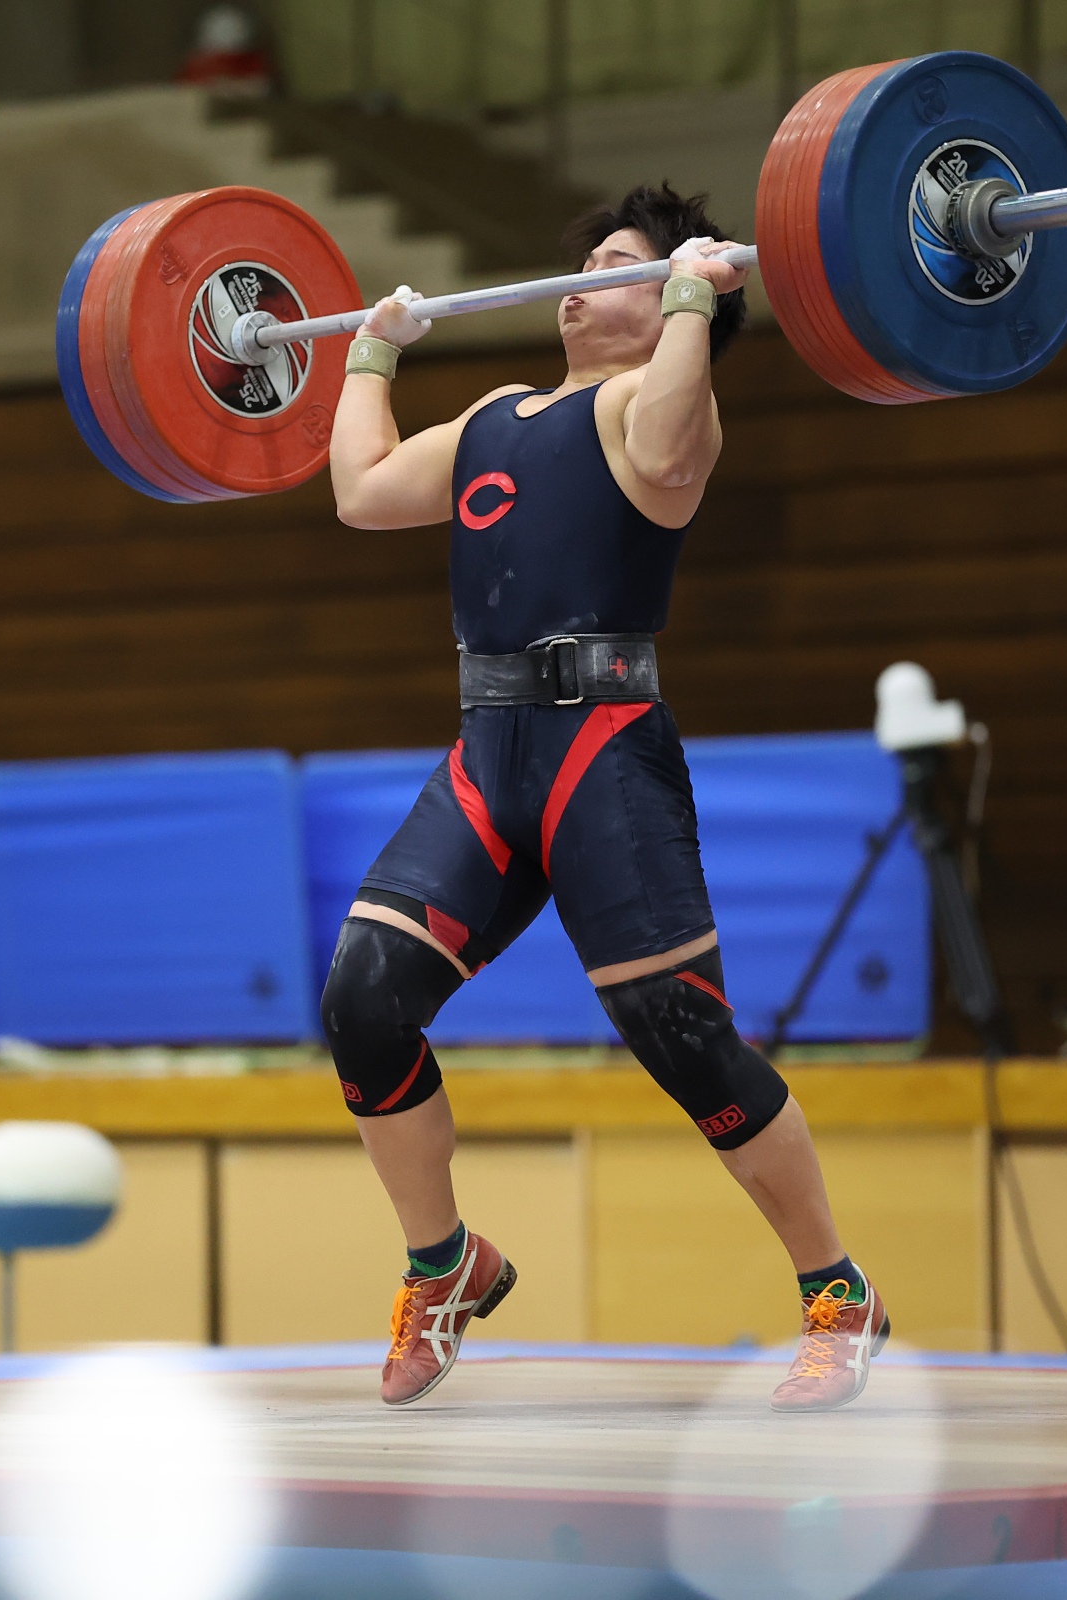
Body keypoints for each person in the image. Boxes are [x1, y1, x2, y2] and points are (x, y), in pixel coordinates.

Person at [322, 183, 888, 1412]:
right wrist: (371, 351)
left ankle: (838, 1291)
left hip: (604, 750)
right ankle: (444, 1262)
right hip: (489, 752)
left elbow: (676, 446)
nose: (583, 282)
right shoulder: (494, 416)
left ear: (678, 295)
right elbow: (361, 491)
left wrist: (690, 300)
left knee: (682, 1033)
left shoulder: (653, 409)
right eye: (580, 266)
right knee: (363, 1001)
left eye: (617, 265)